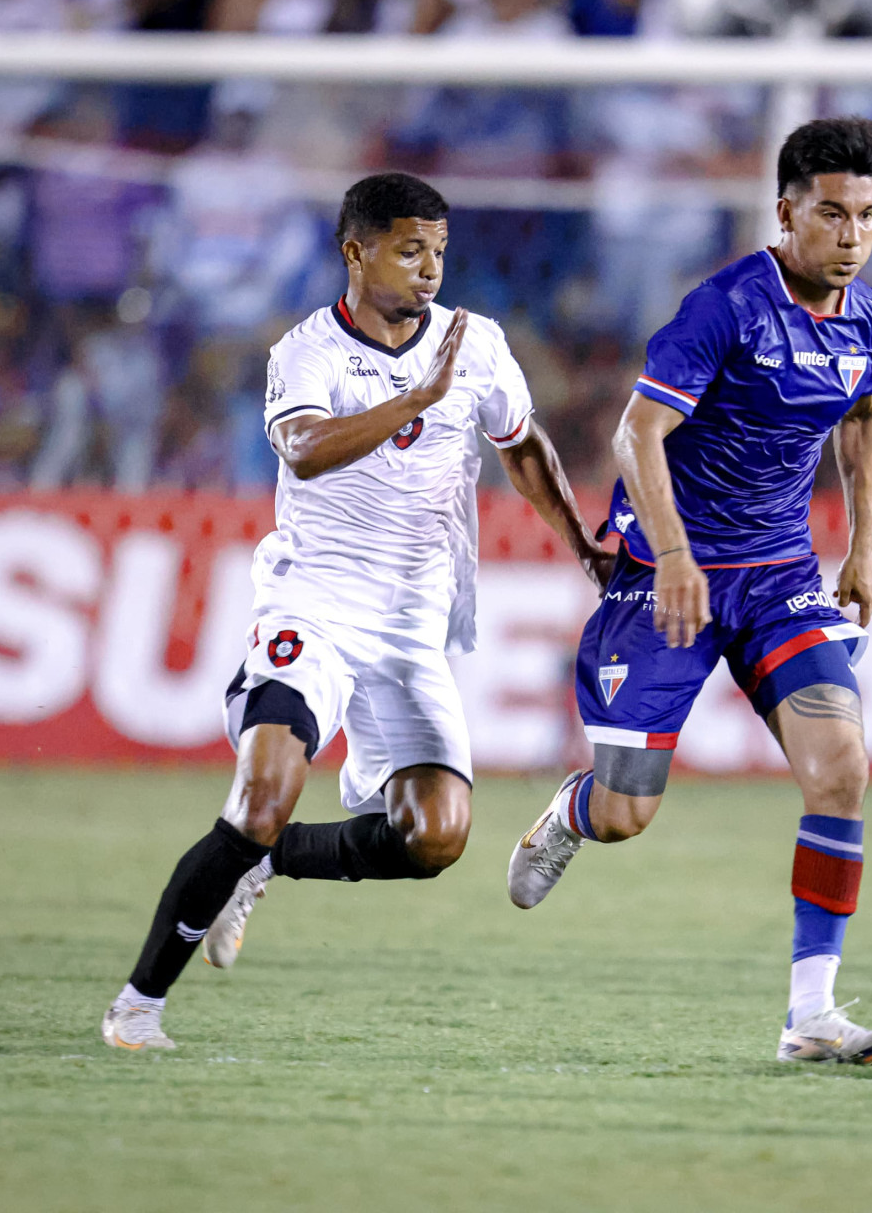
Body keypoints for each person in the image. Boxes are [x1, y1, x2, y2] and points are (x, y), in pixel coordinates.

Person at [101, 173, 609, 1051]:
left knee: (434, 837)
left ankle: (266, 861)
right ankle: (138, 1007)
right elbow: (302, 451)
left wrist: (581, 543)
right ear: (356, 251)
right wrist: (414, 399)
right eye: (410, 249)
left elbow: (522, 445)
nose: (429, 270)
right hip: (316, 607)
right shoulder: (309, 353)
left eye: (439, 252)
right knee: (261, 794)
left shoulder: (474, 343)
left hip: (413, 626)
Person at [505, 118, 872, 1064]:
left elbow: (866, 411)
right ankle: (572, 812)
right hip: (666, 580)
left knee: (841, 769)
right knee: (628, 812)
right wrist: (676, 555)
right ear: (786, 211)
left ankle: (810, 1017)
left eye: (869, 216)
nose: (851, 235)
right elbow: (637, 435)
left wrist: (862, 546)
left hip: (778, 579)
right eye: (832, 213)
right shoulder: (724, 308)